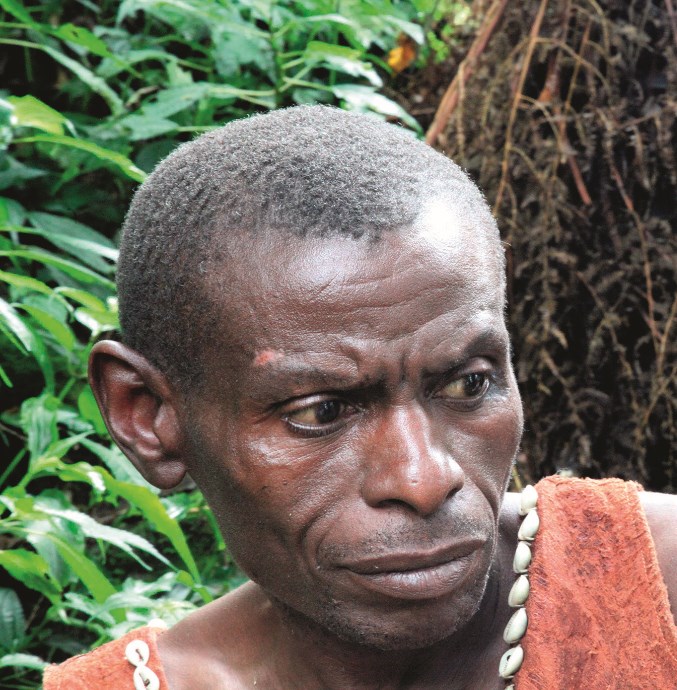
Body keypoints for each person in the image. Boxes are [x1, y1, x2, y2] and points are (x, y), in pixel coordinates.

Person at [44, 106, 677, 690]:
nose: (425, 481)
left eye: (468, 384)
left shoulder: (654, 584)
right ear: (147, 417)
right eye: (321, 412)